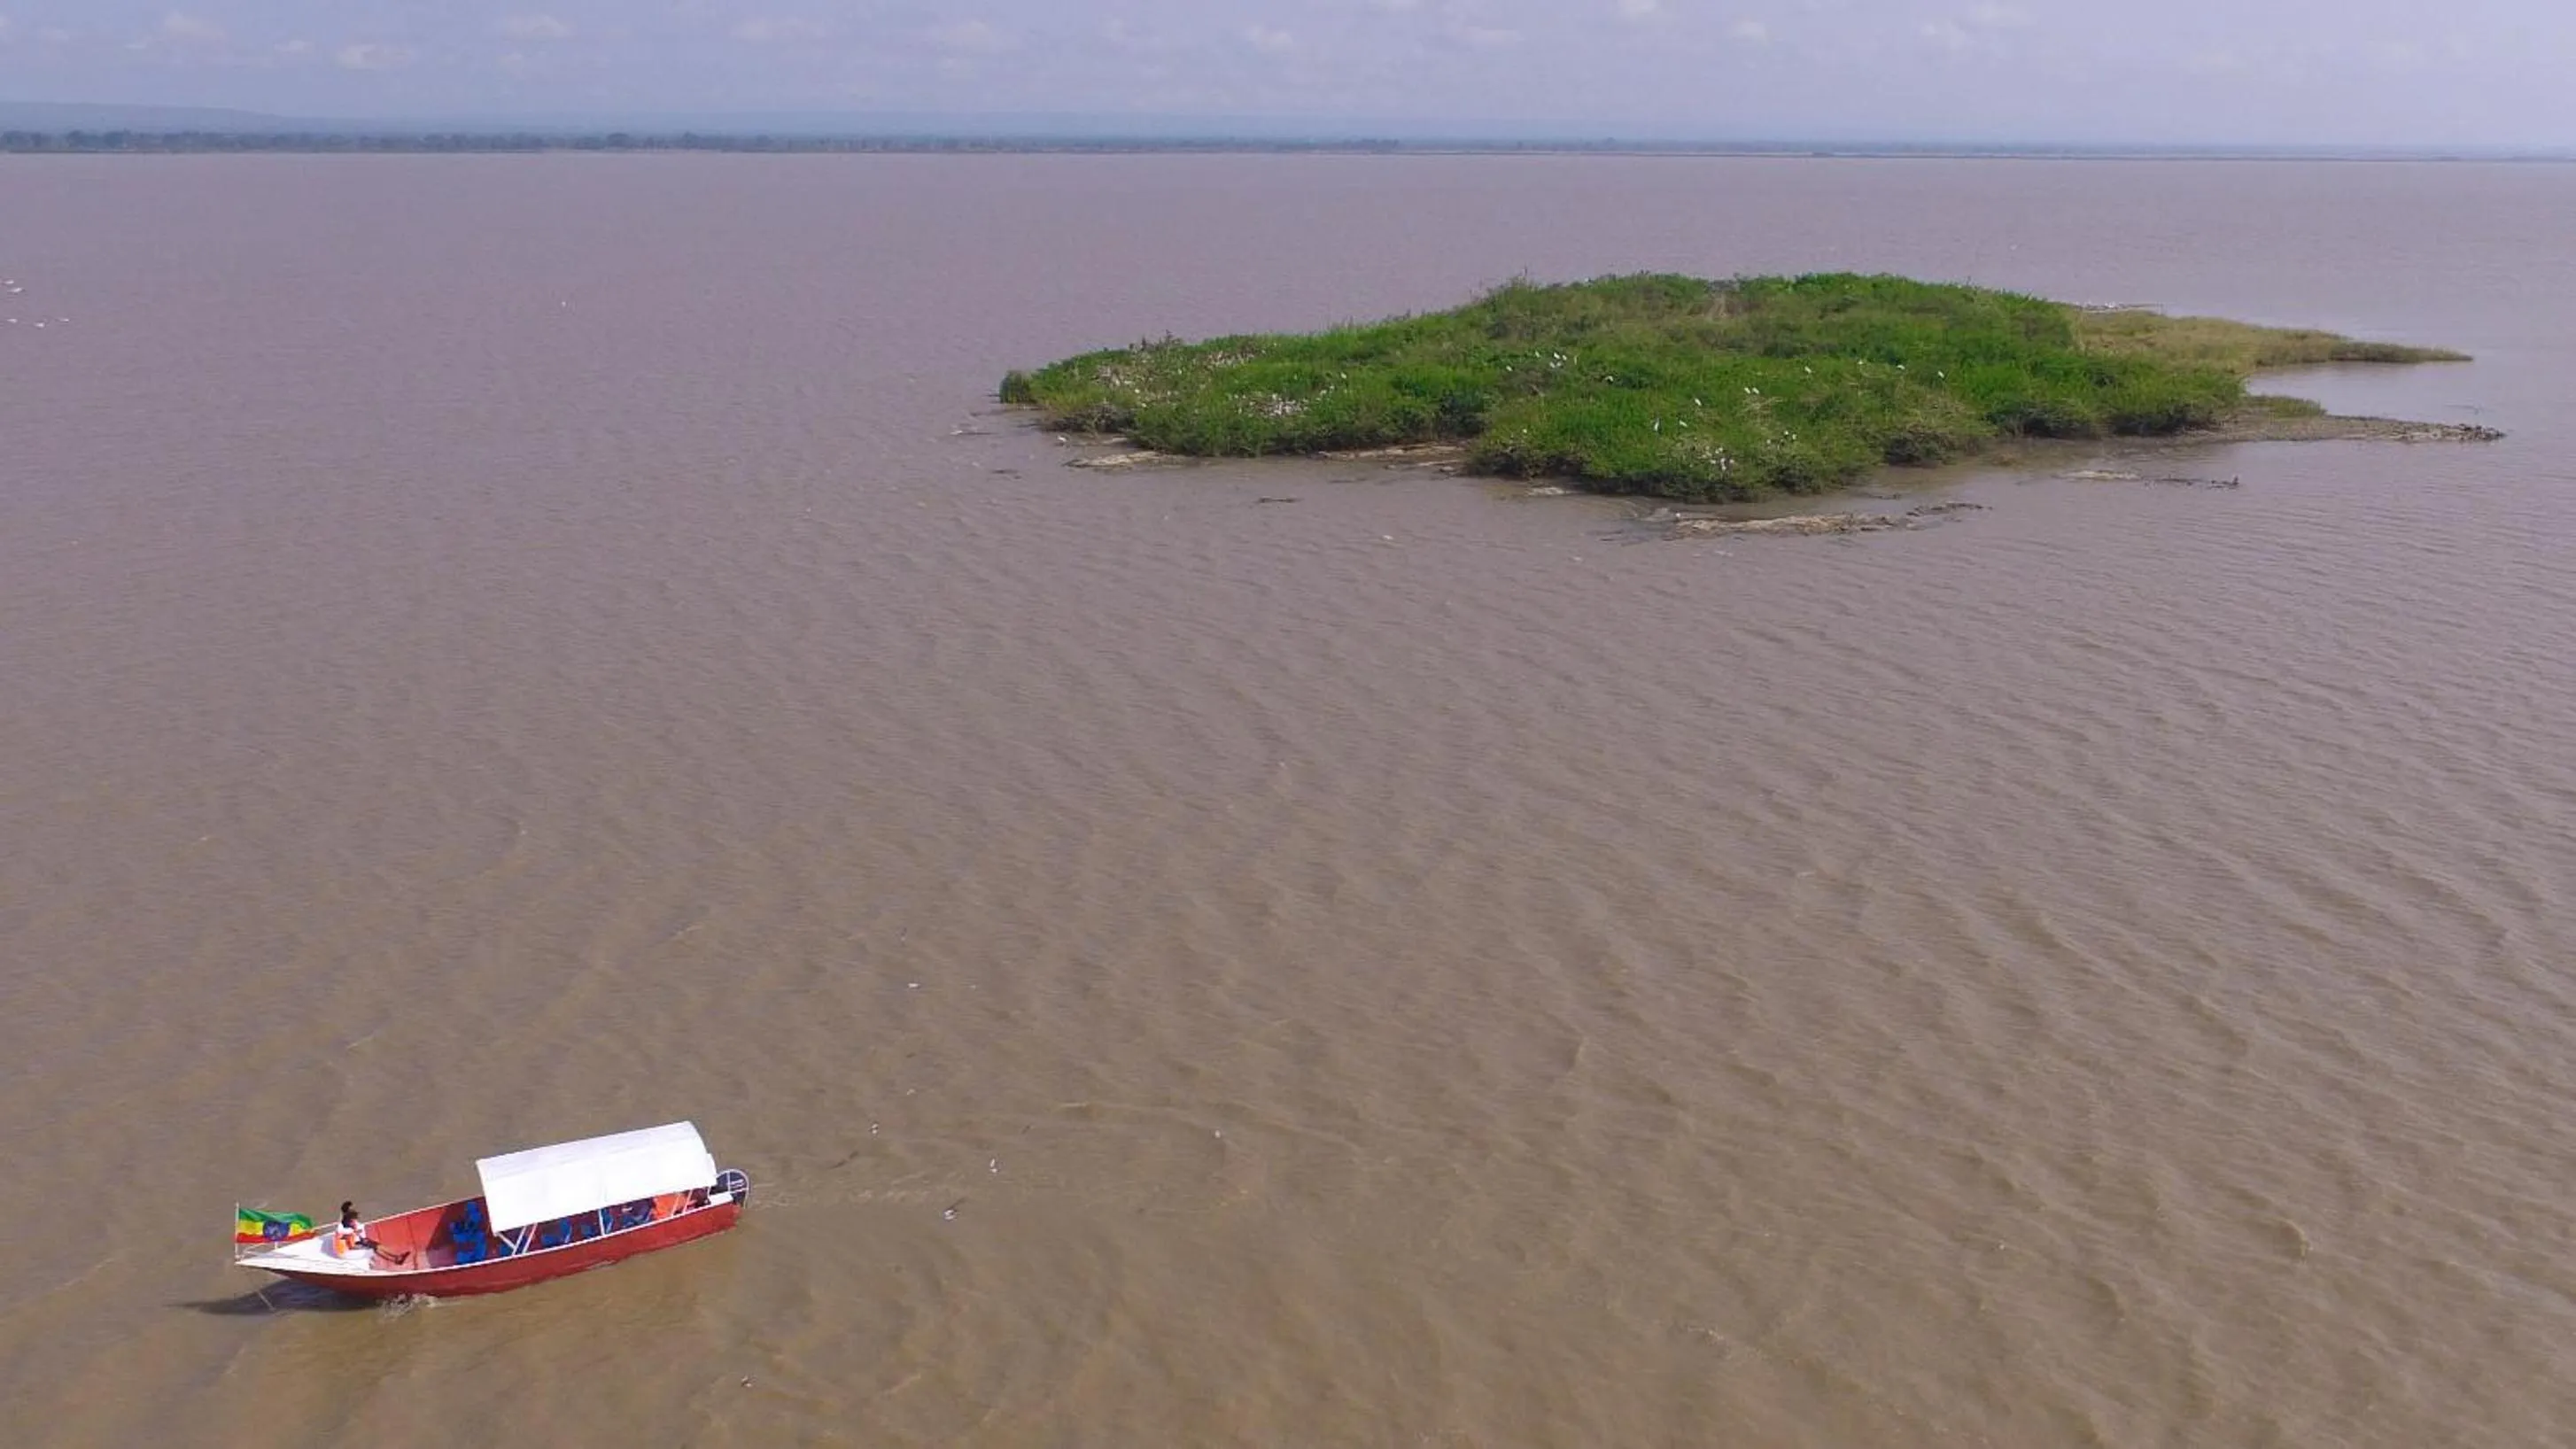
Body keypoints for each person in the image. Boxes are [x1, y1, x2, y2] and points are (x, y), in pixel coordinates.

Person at [335, 1201, 411, 1266]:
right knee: (378, 1247)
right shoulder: (347, 1228)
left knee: (377, 1248)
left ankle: (396, 1259)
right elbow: (351, 1237)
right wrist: (356, 1233)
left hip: (360, 1240)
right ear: (351, 1219)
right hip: (357, 1243)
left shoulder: (347, 1222)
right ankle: (397, 1258)